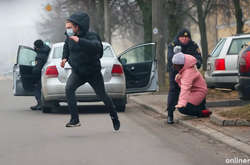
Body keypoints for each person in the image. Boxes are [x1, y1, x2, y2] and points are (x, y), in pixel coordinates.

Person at [60, 11, 120, 131]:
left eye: (70, 27)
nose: (68, 30)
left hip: (93, 72)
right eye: (66, 28)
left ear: (78, 26)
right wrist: (64, 58)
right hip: (78, 72)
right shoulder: (69, 37)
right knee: (69, 88)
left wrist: (79, 41)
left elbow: (97, 48)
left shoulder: (92, 36)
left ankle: (114, 116)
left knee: (102, 96)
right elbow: (66, 47)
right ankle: (74, 119)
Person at [167, 28, 203, 124]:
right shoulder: (173, 45)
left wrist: (197, 63)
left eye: (187, 37)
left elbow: (199, 57)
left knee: (198, 89)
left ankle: (200, 108)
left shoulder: (194, 45)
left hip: (190, 72)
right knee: (173, 91)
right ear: (178, 38)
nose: (184, 39)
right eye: (182, 37)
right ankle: (170, 114)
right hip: (176, 72)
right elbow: (171, 59)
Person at [172, 52, 212, 117]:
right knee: (182, 103)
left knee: (182, 109)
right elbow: (184, 86)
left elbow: (185, 88)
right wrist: (178, 80)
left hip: (199, 92)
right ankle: (202, 108)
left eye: (175, 65)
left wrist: (182, 103)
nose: (174, 67)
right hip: (196, 91)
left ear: (181, 65)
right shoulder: (186, 68)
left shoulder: (188, 72)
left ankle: (203, 113)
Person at [30, 39, 50, 110]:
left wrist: (33, 76)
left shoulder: (40, 55)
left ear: (37, 47)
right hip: (47, 74)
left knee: (37, 89)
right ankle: (41, 103)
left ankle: (40, 104)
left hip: (40, 75)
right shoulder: (47, 50)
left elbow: (37, 68)